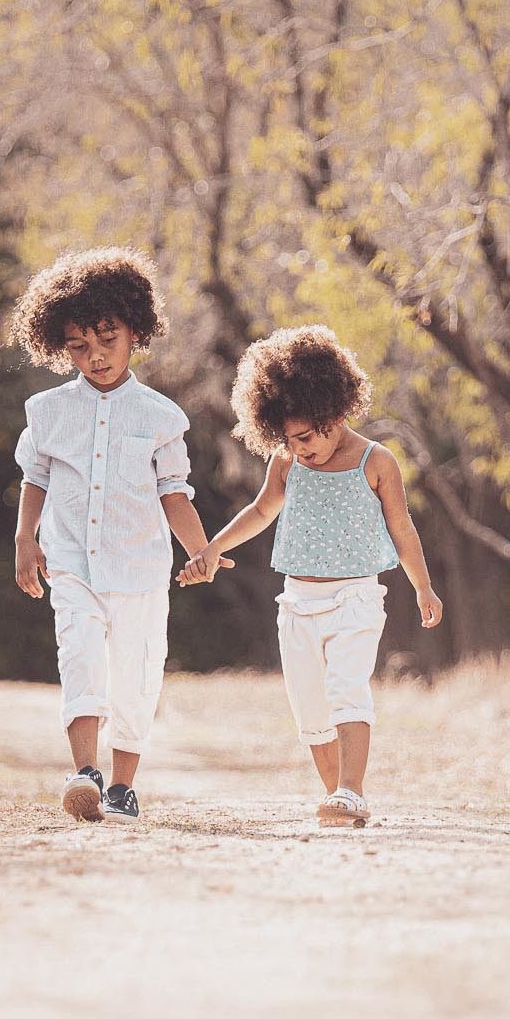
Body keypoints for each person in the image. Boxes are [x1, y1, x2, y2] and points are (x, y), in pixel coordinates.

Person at [178, 325, 441, 825]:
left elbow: (402, 528)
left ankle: (352, 790)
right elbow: (260, 512)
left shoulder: (376, 461)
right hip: (297, 603)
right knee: (311, 710)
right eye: (288, 439)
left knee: (347, 690)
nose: (299, 449)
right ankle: (337, 797)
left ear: (334, 413)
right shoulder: (287, 463)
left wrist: (423, 587)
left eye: (305, 437)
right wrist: (212, 549)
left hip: (355, 599)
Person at [11, 247, 224, 822]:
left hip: (140, 570)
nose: (96, 356)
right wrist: (26, 539)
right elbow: (35, 477)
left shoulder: (160, 417)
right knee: (80, 659)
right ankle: (84, 773)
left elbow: (174, 493)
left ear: (135, 331)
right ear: (60, 345)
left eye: (108, 339)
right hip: (72, 564)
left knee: (136, 675)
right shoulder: (47, 412)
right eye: (79, 346)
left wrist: (200, 551)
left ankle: (122, 787)